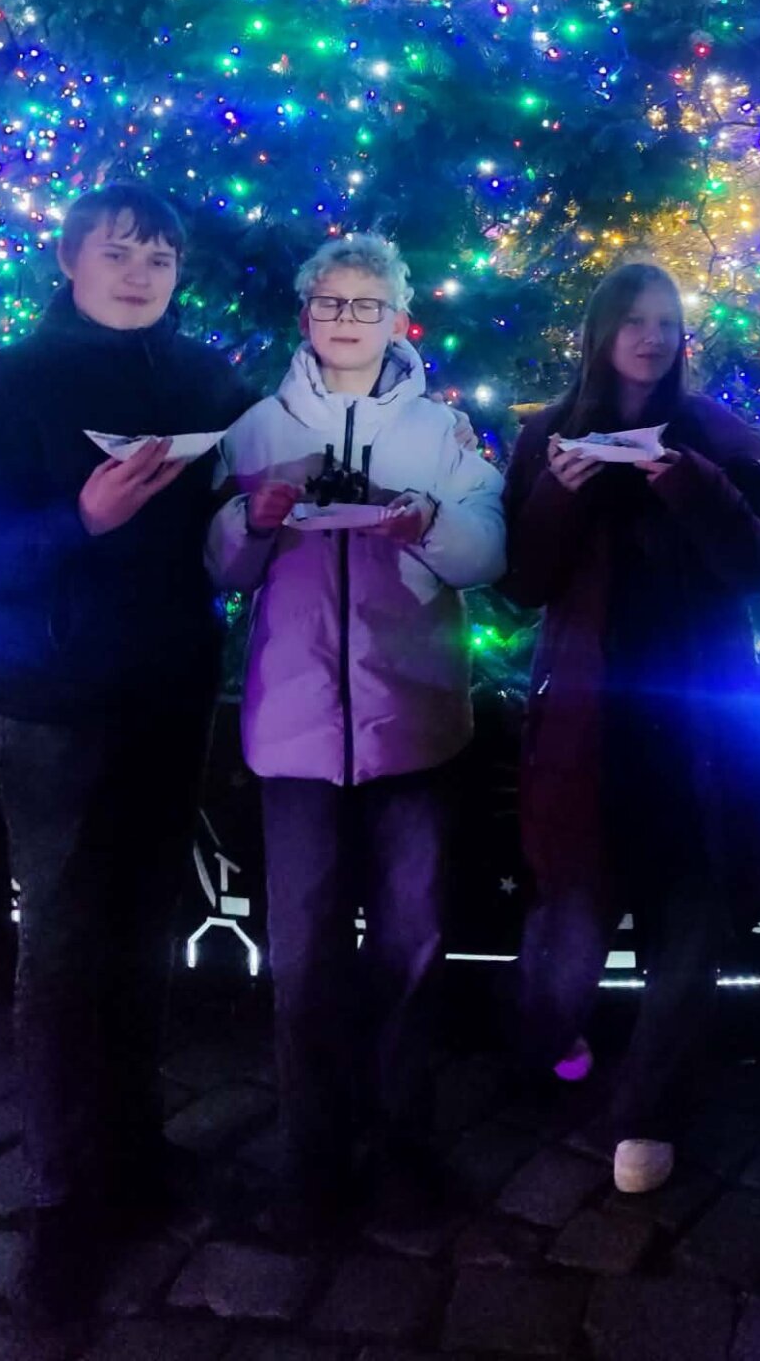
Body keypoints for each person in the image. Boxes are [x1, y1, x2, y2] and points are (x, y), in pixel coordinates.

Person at [0, 183, 254, 1323]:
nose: (138, 274)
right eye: (117, 253)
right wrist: (83, 521)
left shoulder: (206, 381)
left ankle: (138, 1154)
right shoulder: (10, 381)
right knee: (64, 949)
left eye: (158, 258)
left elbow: (244, 510)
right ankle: (64, 1206)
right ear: (70, 260)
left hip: (170, 693)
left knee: (143, 935)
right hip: (54, 703)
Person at [205, 233, 506, 1244]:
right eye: (331, 302)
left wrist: (428, 524)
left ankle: (407, 1149)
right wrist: (252, 521)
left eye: (366, 305)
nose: (346, 319)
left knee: (413, 950)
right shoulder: (257, 427)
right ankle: (311, 1159)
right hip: (293, 736)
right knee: (303, 958)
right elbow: (222, 567)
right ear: (306, 315)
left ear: (397, 320)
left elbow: (487, 551)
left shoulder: (440, 430)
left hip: (412, 728)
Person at [502, 261, 760, 1196]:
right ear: (600, 332)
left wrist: (693, 485)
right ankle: (554, 1043)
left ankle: (647, 1115)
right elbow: (520, 585)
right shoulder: (547, 435)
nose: (652, 336)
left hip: (700, 724)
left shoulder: (721, 437)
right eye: (633, 319)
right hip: (586, 723)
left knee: (692, 920)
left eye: (666, 320)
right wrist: (559, 492)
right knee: (568, 928)